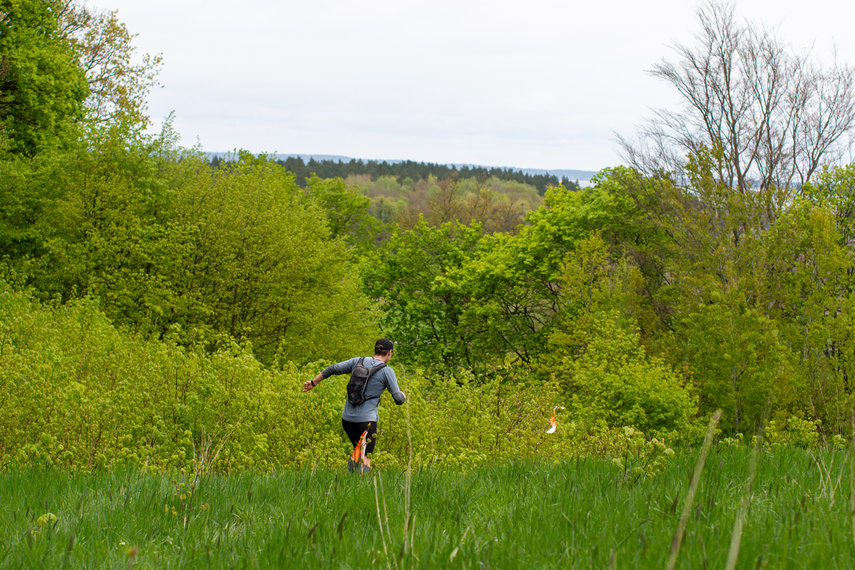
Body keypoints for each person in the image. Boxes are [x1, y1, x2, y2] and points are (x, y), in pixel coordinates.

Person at [302, 338, 406, 472]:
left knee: (358, 451)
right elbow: (398, 399)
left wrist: (313, 382)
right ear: (389, 353)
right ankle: (360, 485)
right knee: (366, 457)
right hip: (366, 422)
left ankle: (351, 480)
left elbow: (332, 369)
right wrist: (403, 395)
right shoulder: (387, 371)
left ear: (375, 350)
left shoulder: (357, 361)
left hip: (347, 420)